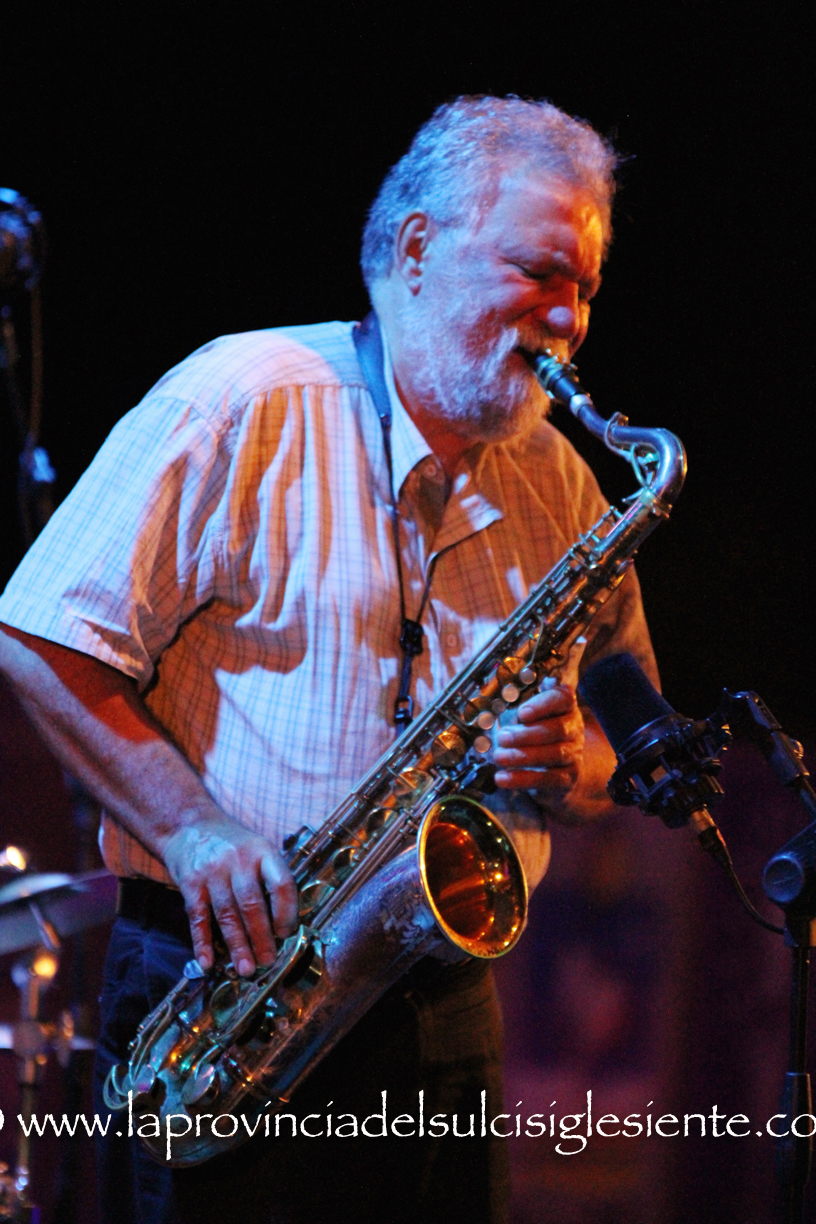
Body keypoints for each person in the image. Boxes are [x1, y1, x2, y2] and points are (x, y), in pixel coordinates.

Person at [0, 96, 657, 1224]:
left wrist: (575, 761)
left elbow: (621, 744)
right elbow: (38, 632)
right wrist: (192, 830)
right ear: (418, 249)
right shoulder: (241, 400)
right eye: (541, 273)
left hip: (444, 1003)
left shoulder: (561, 480)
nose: (569, 320)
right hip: (225, 990)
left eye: (586, 290)